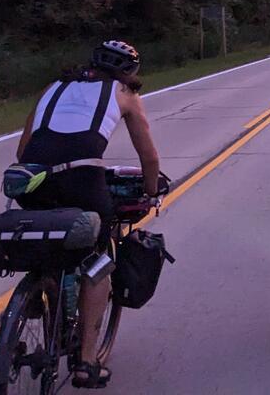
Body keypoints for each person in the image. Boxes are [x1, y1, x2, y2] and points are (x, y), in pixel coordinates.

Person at [15, 40, 161, 390]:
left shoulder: (53, 88)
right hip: (82, 181)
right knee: (98, 260)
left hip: (31, 179)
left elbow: (22, 149)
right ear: (129, 72)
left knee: (49, 235)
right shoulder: (125, 94)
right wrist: (152, 191)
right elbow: (149, 157)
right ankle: (86, 361)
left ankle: (41, 288)